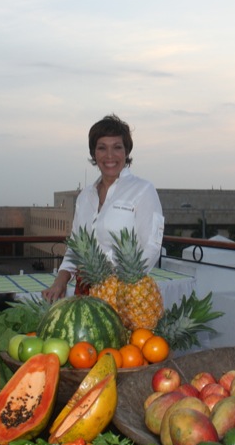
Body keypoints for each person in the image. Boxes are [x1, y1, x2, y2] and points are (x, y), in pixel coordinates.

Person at [42, 114, 164, 303]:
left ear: (126, 151)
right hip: (85, 291)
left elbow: (152, 247)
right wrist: (61, 280)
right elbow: (76, 246)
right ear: (94, 153)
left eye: (117, 147)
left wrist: (120, 287)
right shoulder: (84, 197)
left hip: (126, 294)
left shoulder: (143, 190)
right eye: (102, 148)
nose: (109, 155)